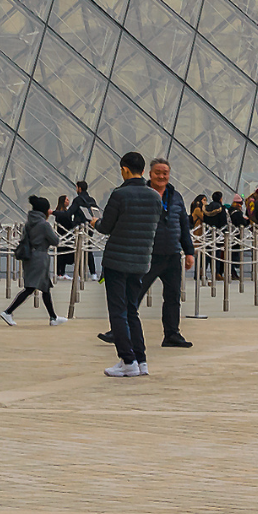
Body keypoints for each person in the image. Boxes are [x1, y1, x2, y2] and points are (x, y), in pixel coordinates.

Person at [100, 156, 195, 351]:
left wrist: (189, 252)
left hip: (173, 254)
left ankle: (172, 334)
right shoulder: (143, 194)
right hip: (149, 253)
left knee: (173, 295)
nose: (162, 176)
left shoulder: (176, 196)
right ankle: (118, 330)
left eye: (165, 173)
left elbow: (184, 225)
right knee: (134, 295)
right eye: (158, 172)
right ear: (149, 174)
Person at [95, 151, 162, 378]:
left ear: (124, 169)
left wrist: (95, 222)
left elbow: (106, 226)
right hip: (141, 261)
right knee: (132, 310)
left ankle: (127, 360)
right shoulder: (155, 197)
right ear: (143, 170)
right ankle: (141, 360)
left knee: (118, 311)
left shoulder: (119, 194)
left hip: (117, 261)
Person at [0, 196, 65, 325]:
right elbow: (55, 241)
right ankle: (8, 312)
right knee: (31, 288)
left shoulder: (28, 223)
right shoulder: (44, 225)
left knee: (45, 287)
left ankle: (53, 317)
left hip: (29, 256)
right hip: (40, 258)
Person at [66, 180, 99, 279]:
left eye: (76, 187)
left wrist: (71, 224)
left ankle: (80, 274)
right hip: (90, 227)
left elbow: (70, 213)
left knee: (79, 250)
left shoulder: (77, 200)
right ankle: (93, 273)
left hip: (79, 228)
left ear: (79, 188)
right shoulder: (92, 200)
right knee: (88, 249)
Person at [53, 195, 74, 279]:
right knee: (62, 255)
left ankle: (61, 272)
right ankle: (60, 273)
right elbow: (68, 223)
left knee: (63, 255)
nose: (68, 201)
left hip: (63, 236)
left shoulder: (61, 212)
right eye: (67, 200)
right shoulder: (62, 213)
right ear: (63, 201)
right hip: (64, 236)